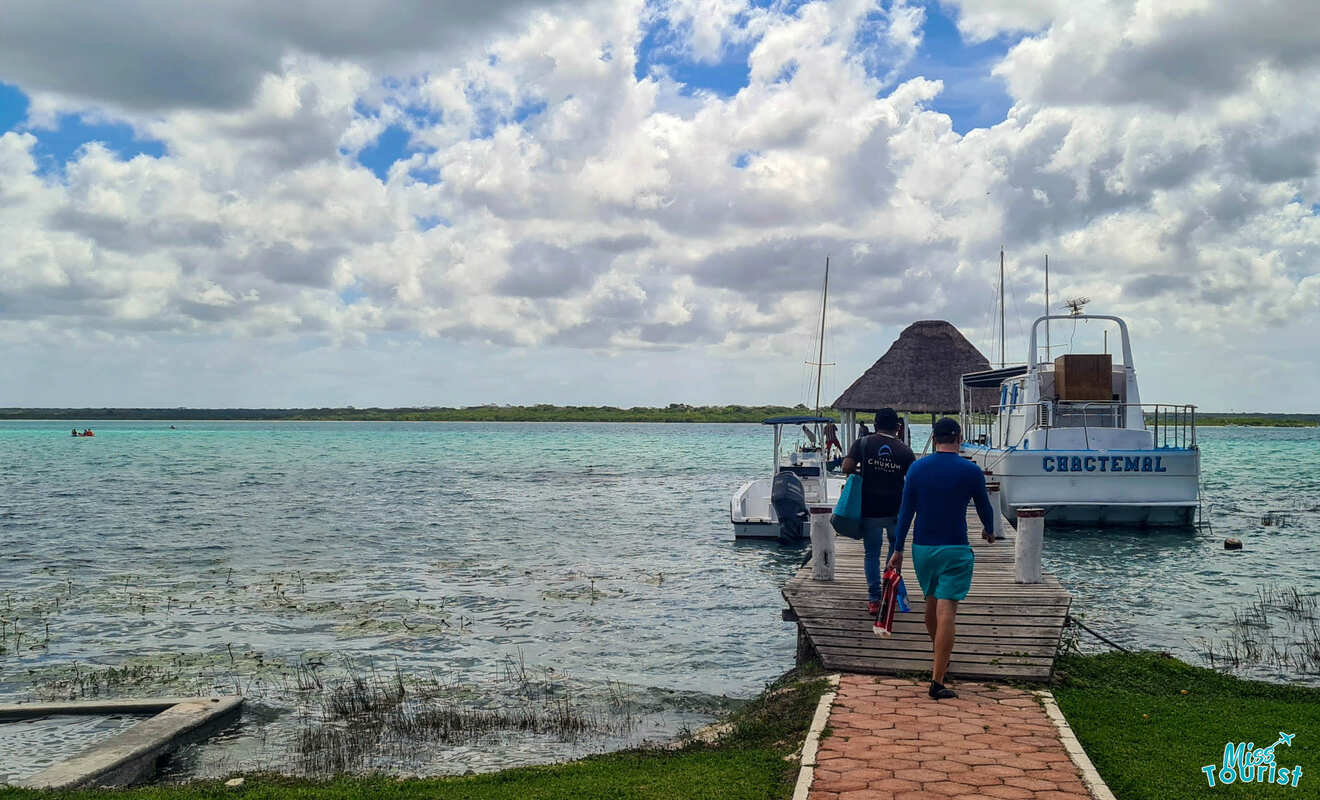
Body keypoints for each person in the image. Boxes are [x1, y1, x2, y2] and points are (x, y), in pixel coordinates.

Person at [890, 417, 995, 700]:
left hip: (922, 548)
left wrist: (897, 549)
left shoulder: (917, 469)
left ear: (934, 439)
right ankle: (937, 680)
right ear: (958, 438)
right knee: (947, 609)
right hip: (955, 548)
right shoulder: (970, 471)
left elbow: (905, 512)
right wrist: (989, 530)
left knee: (931, 602)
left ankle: (939, 652)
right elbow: (985, 507)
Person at [841, 408, 914, 616]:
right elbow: (913, 477)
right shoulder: (905, 450)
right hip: (895, 509)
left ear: (875, 425)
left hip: (870, 508)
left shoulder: (863, 443)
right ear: (898, 428)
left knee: (871, 553)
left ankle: (874, 599)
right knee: (894, 551)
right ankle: (888, 592)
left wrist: (865, 468)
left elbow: (846, 467)